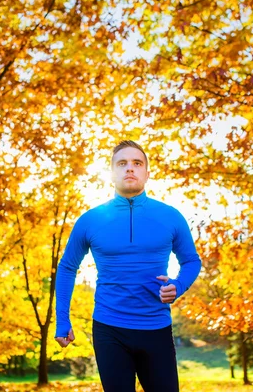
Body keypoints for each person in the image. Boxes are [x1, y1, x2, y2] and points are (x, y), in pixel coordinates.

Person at [54, 140, 202, 392]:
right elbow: (68, 267)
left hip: (156, 327)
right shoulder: (90, 220)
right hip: (109, 328)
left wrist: (177, 286)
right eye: (122, 163)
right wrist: (62, 319)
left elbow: (191, 261)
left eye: (137, 163)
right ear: (111, 173)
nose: (129, 169)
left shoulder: (170, 216)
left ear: (147, 172)